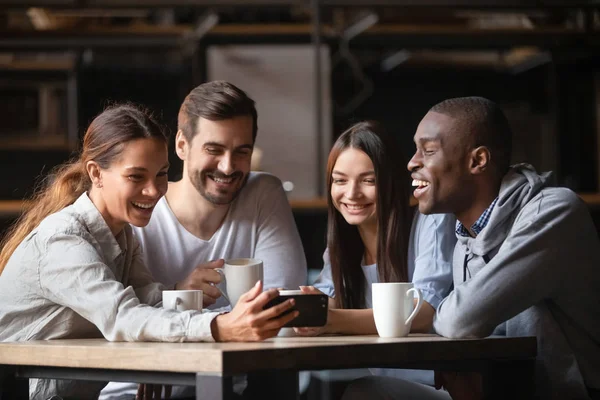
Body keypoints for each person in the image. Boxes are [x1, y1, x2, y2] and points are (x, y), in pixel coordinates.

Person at [0, 104, 297, 400]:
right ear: (96, 173)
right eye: (136, 177)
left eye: (161, 175)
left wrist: (160, 356)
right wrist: (220, 327)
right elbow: (123, 317)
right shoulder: (63, 240)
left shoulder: (123, 234)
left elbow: (149, 300)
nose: (154, 191)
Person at [345, 96, 600, 400]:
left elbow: (460, 320)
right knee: (368, 391)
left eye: (428, 151)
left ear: (478, 161)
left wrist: (447, 318)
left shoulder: (553, 212)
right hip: (498, 389)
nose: (412, 163)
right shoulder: (465, 234)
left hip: (564, 393)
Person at [100, 81, 307, 399]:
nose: (228, 167)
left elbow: (282, 311)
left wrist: (183, 312)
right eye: (214, 150)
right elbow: (118, 322)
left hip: (229, 389)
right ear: (182, 146)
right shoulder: (140, 206)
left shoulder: (263, 193)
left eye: (241, 152)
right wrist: (185, 298)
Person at [294, 121, 456, 394]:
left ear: (391, 180)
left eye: (368, 180)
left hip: (445, 387)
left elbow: (424, 311)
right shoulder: (343, 245)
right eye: (340, 180)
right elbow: (327, 300)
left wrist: (330, 319)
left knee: (363, 392)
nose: (352, 193)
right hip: (390, 387)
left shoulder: (431, 221)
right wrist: (307, 309)